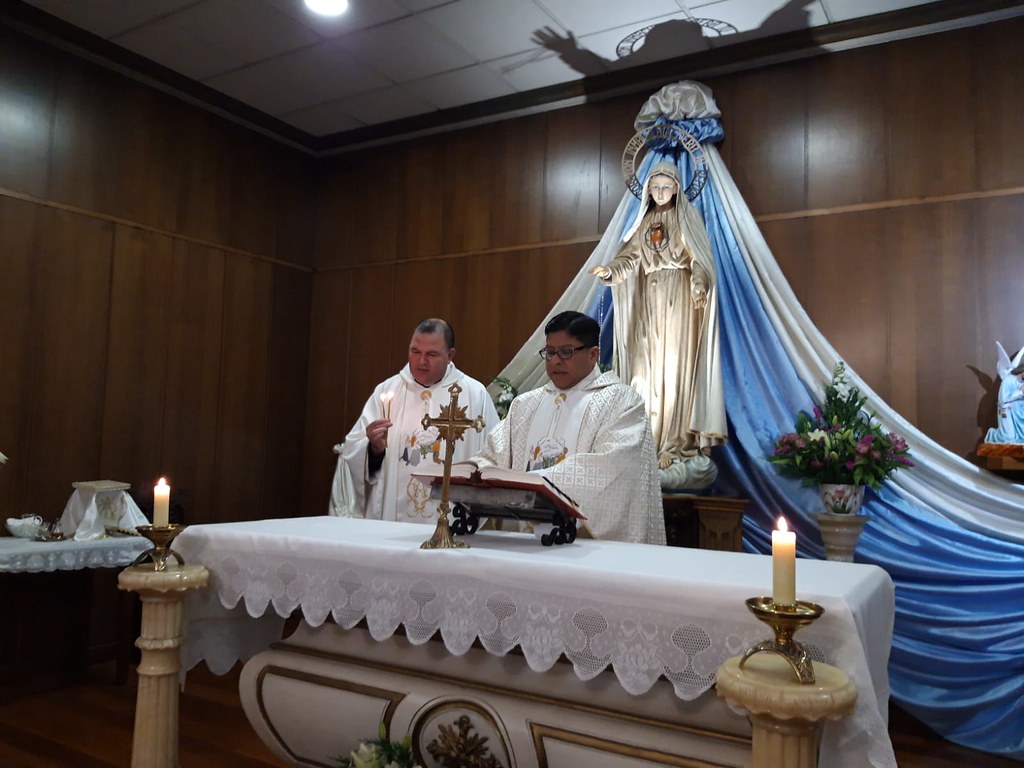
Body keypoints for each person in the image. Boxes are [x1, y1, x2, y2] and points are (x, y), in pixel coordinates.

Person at [471, 311, 665, 545]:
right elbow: (493, 456)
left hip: (584, 548)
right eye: (550, 352)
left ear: (593, 354)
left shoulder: (622, 402)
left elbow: (614, 468)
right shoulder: (525, 405)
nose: (555, 361)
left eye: (566, 352)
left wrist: (535, 483)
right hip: (522, 544)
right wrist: (473, 471)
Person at [588, 159, 726, 480]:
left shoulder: (687, 217)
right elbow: (629, 258)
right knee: (643, 372)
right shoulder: (644, 222)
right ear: (648, 190)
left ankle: (673, 445)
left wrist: (699, 282)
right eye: (655, 187)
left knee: (674, 372)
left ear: (677, 189)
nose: (661, 192)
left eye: (666, 187)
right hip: (648, 301)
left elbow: (700, 259)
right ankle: (646, 440)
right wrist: (610, 271)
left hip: (679, 300)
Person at [331, 318, 498, 523]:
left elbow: (494, 457)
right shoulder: (387, 391)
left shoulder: (474, 395)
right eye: (415, 352)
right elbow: (352, 455)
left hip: (453, 521)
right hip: (394, 523)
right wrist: (374, 450)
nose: (421, 361)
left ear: (450, 355)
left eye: (431, 354)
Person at [986, 361, 1024, 444]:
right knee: (1008, 438)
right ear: (1022, 370)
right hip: (1006, 411)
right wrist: (1020, 392)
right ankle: (992, 434)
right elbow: (1003, 399)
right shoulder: (1008, 380)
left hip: (1019, 413)